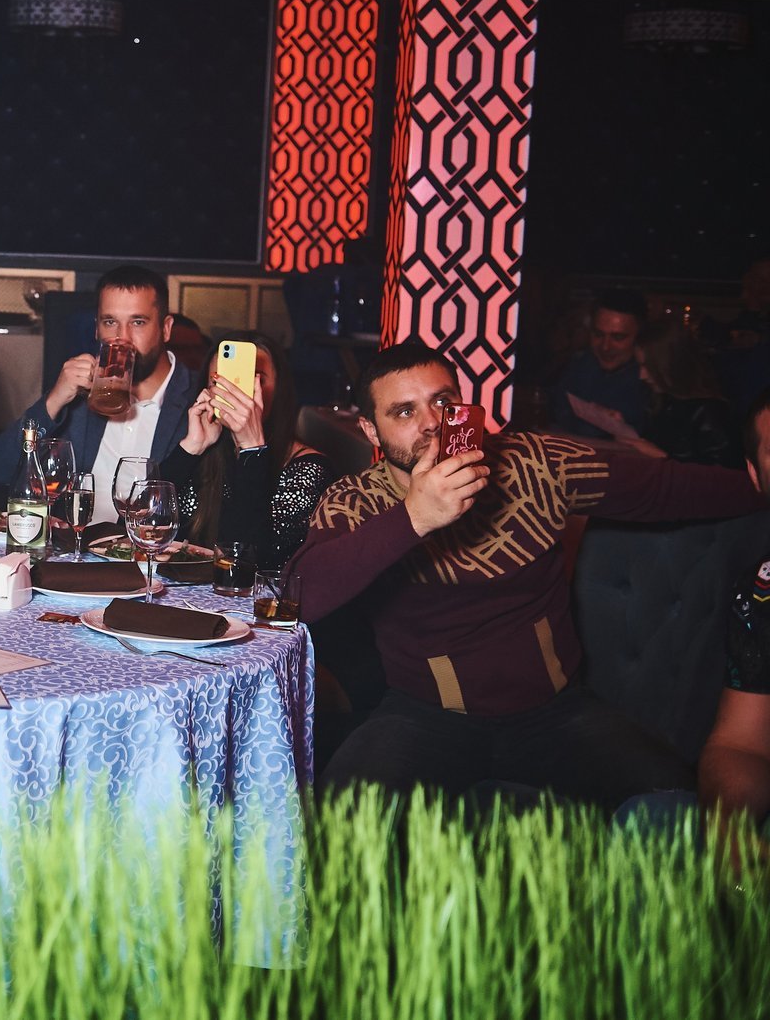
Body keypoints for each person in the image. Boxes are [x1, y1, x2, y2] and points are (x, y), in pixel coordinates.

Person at [287, 341, 764, 807]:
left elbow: (664, 488)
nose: (431, 422)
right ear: (371, 431)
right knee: (340, 821)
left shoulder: (533, 463)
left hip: (556, 714)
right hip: (424, 716)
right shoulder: (356, 500)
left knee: (674, 803)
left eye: (443, 402)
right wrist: (414, 517)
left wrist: (760, 486)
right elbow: (299, 596)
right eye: (404, 412)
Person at [0, 263, 201, 524]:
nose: (122, 338)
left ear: (165, 328)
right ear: (97, 329)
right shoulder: (77, 396)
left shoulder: (197, 400)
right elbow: (2, 469)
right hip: (74, 546)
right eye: (110, 322)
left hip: (151, 548)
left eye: (138, 322)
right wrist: (54, 401)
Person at [159, 332, 337, 568]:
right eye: (221, 382)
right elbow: (138, 529)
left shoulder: (309, 470)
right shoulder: (207, 453)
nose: (238, 394)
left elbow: (245, 563)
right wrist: (191, 447)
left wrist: (253, 450)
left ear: (279, 388)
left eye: (253, 380)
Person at [697, 387, 770, 850]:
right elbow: (741, 744)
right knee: (641, 822)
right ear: (756, 475)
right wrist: (730, 831)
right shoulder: (759, 593)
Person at [567, 318, 741, 467]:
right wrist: (622, 429)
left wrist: (662, 458)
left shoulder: (710, 412)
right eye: (640, 365)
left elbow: (722, 481)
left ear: (671, 364)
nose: (642, 375)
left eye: (649, 367)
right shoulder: (661, 401)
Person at [545, 289, 648, 439]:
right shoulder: (581, 365)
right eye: (598, 335)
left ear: (640, 338)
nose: (605, 347)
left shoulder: (650, 382)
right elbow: (555, 409)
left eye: (618, 337)